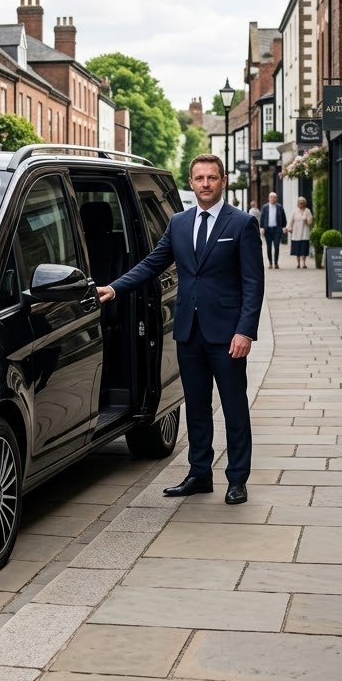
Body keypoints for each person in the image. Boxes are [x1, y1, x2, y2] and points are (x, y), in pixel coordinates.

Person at [98, 154, 264, 505]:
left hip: (227, 336)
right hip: (188, 332)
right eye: (199, 178)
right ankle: (199, 474)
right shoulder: (178, 223)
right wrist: (115, 288)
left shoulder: (242, 224)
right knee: (197, 409)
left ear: (223, 181)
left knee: (234, 409)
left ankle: (237, 480)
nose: (206, 184)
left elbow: (253, 283)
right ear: (191, 182)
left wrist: (245, 331)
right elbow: (152, 263)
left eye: (212, 178)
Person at [260, 192, 287, 269]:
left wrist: (283, 227)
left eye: (274, 197)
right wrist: (261, 227)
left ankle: (276, 263)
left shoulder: (279, 207)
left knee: (276, 246)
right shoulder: (265, 207)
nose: (273, 199)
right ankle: (270, 263)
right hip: (267, 229)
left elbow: (283, 218)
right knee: (269, 246)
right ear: (269, 198)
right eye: (271, 197)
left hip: (277, 229)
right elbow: (262, 218)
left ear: (276, 199)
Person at [288, 195, 314, 269]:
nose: (301, 204)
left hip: (304, 233)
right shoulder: (295, 211)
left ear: (304, 203)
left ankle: (304, 263)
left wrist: (306, 220)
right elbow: (291, 221)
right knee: (297, 250)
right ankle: (298, 263)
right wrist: (289, 228)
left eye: (302, 203)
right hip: (296, 233)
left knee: (304, 250)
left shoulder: (307, 211)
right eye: (300, 203)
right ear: (298, 203)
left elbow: (310, 222)